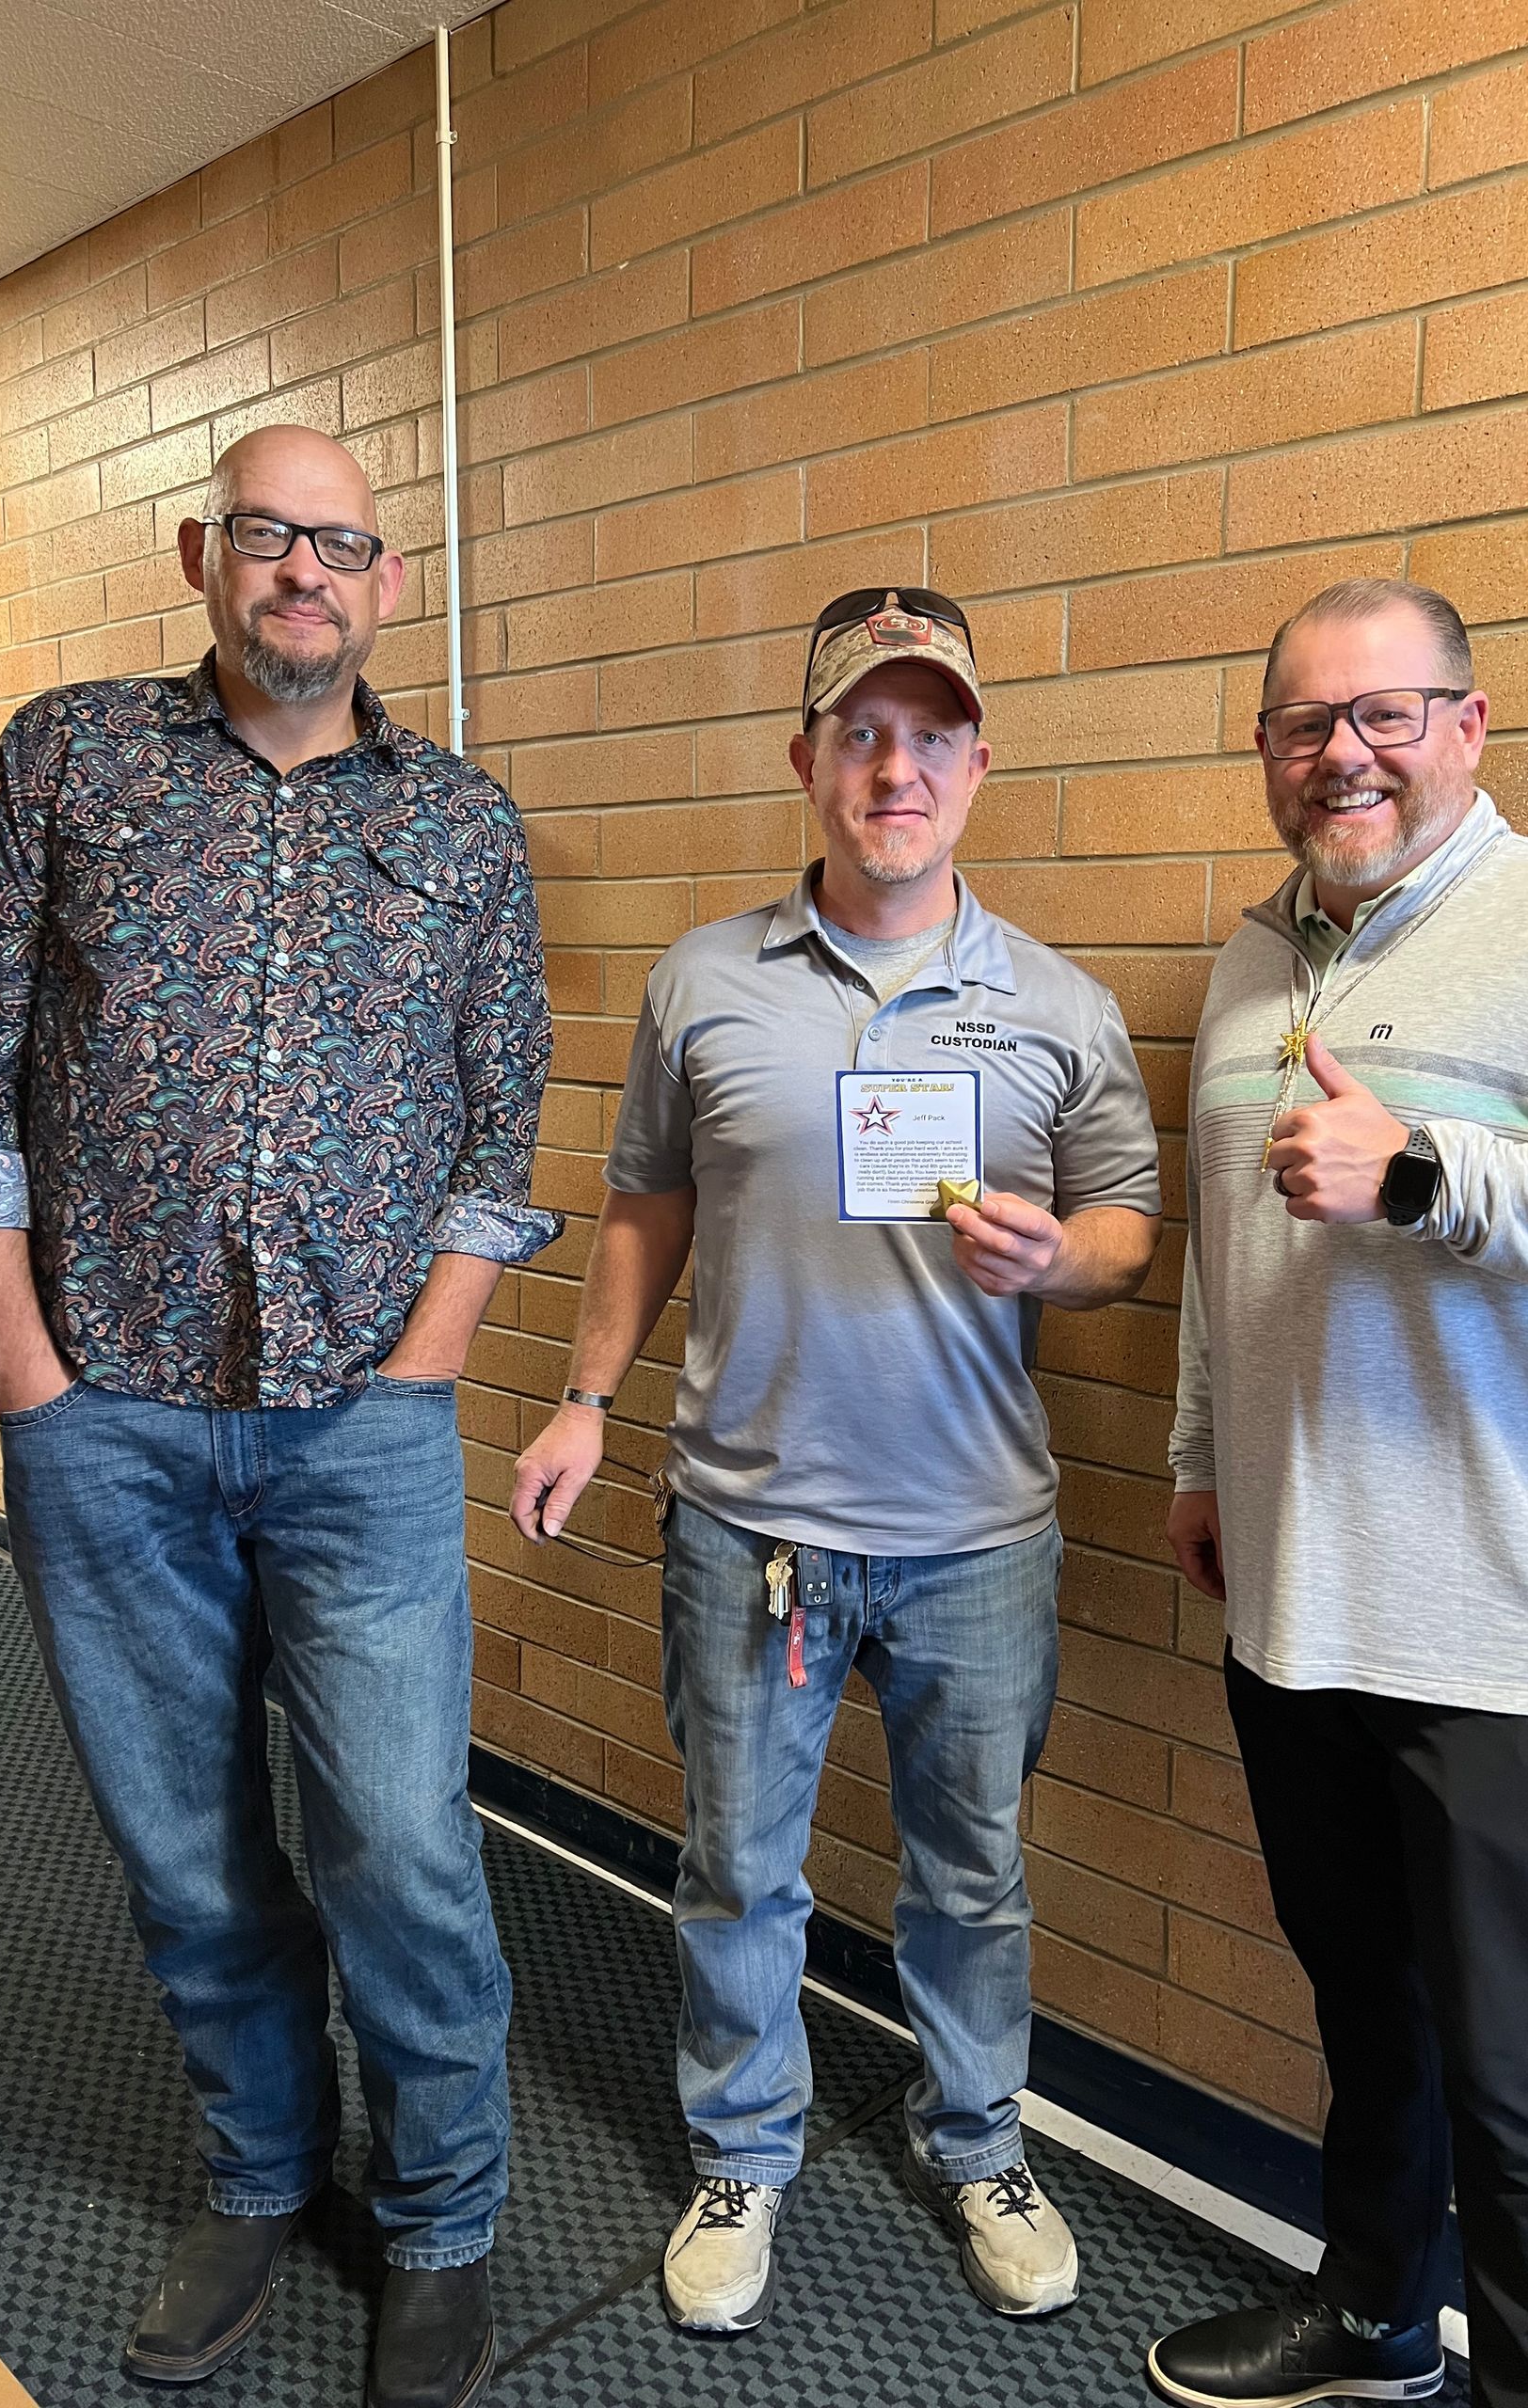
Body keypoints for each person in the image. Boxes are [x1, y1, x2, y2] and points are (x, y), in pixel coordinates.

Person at [0, 425, 561, 2408]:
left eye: (343, 544)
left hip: (362, 1424)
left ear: (382, 579)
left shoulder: (458, 822)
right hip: (106, 1417)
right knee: (189, 1856)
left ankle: (440, 2211)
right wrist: (26, 1375)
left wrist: (432, 1354)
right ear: (206, 551)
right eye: (271, 533)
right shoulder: (69, 759)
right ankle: (260, 2170)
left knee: (399, 1842)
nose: (306, 572)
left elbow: (499, 1106)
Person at [512, 587, 1162, 2336]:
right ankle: (744, 2153)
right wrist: (586, 1394)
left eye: (930, 733)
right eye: (861, 733)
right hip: (753, 1522)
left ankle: (978, 2141)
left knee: (974, 1872)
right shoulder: (704, 981)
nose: (897, 767)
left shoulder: (1055, 1004)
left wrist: (1066, 1263)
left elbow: (1130, 1228)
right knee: (740, 1865)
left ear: (977, 763)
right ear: (807, 760)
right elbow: (649, 1203)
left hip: (975, 1534)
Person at [1150, 577, 1528, 2408]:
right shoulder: (1256, 954)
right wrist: (1200, 1458)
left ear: (1469, 725)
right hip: (1295, 1589)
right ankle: (1378, 2316)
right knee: (1363, 2007)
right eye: (1306, 723)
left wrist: (1426, 1174)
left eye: (1387, 713)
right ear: (1266, 756)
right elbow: (1231, 1250)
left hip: (1490, 1614)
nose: (1346, 752)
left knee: (1512, 2059)